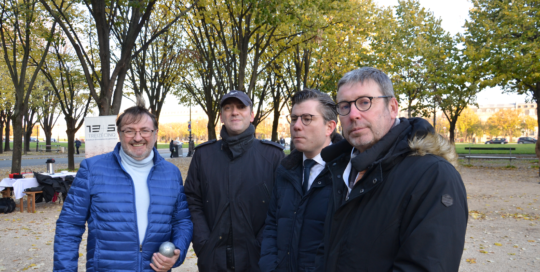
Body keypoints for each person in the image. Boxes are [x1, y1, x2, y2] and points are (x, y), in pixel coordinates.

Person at [319, 67, 468, 271]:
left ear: (393, 107)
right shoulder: (339, 168)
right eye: (344, 106)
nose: (353, 114)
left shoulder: (433, 175)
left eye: (364, 102)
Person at [54, 105, 193, 272]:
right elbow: (69, 225)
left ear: (155, 134)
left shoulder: (171, 174)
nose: (138, 137)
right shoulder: (92, 169)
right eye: (129, 131)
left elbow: (182, 221)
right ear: (119, 134)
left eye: (145, 131)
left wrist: (178, 251)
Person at [185, 90, 285, 272]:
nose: (234, 112)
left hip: (258, 260)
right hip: (213, 259)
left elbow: (281, 205)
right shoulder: (203, 155)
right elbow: (193, 201)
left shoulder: (272, 155)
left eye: (241, 107)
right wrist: (204, 243)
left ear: (252, 115)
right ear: (221, 117)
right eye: (228, 108)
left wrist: (260, 245)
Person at [259, 89, 342, 272]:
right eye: (294, 118)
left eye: (307, 119)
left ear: (329, 127)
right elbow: (273, 223)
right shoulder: (285, 169)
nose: (296, 126)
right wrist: (269, 266)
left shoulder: (346, 173)